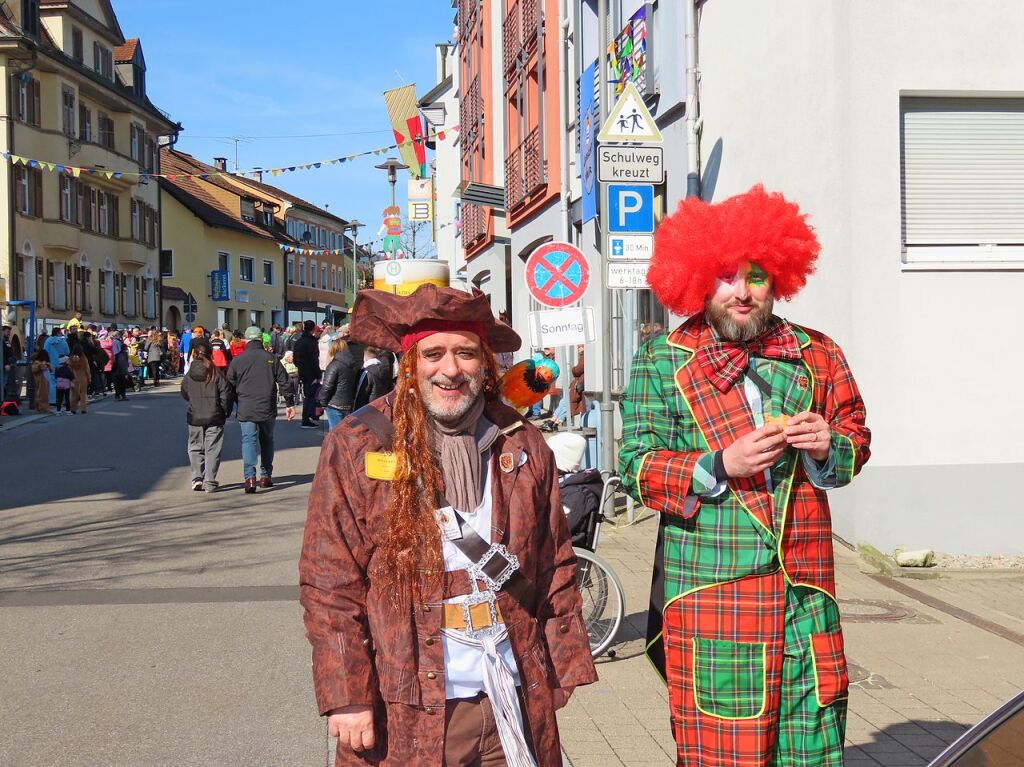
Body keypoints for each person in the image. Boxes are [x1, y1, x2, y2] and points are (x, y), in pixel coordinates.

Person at [618, 185, 872, 767]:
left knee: (813, 748)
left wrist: (827, 447)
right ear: (700, 279)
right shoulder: (664, 359)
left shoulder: (819, 354)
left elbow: (856, 439)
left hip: (806, 597)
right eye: (726, 276)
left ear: (778, 278)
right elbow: (635, 466)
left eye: (755, 276)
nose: (741, 291)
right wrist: (717, 466)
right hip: (714, 597)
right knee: (721, 755)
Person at [298, 284, 596, 766]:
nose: (451, 369)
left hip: (512, 696)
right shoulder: (358, 444)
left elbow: (555, 562)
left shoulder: (521, 444)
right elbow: (330, 580)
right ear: (411, 365)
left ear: (486, 363)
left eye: (466, 353)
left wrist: (563, 664)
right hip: (408, 706)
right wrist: (347, 693)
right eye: (433, 353)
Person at [225, 326, 296, 493]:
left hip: (246, 406)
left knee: (248, 440)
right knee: (267, 440)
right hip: (267, 405)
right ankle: (265, 476)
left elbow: (229, 386)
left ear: (247, 340)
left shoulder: (238, 360)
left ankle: (250, 477)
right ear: (261, 340)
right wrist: (289, 403)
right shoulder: (271, 358)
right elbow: (285, 381)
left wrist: (231, 405)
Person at [181, 339, 235, 493]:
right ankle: (210, 481)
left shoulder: (189, 374)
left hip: (195, 415)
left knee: (195, 447)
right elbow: (227, 393)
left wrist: (193, 402)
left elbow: (184, 392)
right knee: (213, 449)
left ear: (194, 354)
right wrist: (225, 411)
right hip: (214, 415)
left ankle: (197, 477)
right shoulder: (216, 372)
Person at [316, 335, 358, 430]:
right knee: (345, 433)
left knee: (335, 433)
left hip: (334, 404)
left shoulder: (334, 365)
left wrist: (322, 402)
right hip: (348, 403)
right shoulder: (352, 364)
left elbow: (327, 386)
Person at [292, 319, 320, 428]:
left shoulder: (299, 341)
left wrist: (300, 366)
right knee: (310, 395)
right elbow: (314, 359)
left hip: (302, 370)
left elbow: (295, 358)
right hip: (310, 372)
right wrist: (317, 373)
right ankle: (307, 417)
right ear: (313, 329)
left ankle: (308, 416)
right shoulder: (311, 341)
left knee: (307, 395)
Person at [43, 328, 70, 406]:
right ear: (58, 333)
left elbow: (45, 352)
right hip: (61, 363)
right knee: (62, 381)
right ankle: (63, 400)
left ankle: (52, 400)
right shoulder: (62, 341)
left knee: (52, 382)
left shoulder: (47, 341)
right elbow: (67, 352)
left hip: (51, 364)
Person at [68, 343, 91, 414]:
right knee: (83, 394)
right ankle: (83, 408)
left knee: (74, 394)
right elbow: (87, 369)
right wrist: (89, 378)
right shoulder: (83, 358)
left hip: (74, 378)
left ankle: (73, 408)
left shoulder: (71, 358)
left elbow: (69, 368)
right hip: (83, 377)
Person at [30, 349, 51, 414]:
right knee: (42, 394)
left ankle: (43, 407)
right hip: (42, 381)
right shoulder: (37, 363)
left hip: (44, 381)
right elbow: (35, 369)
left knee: (44, 394)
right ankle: (42, 408)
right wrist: (41, 365)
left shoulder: (38, 362)